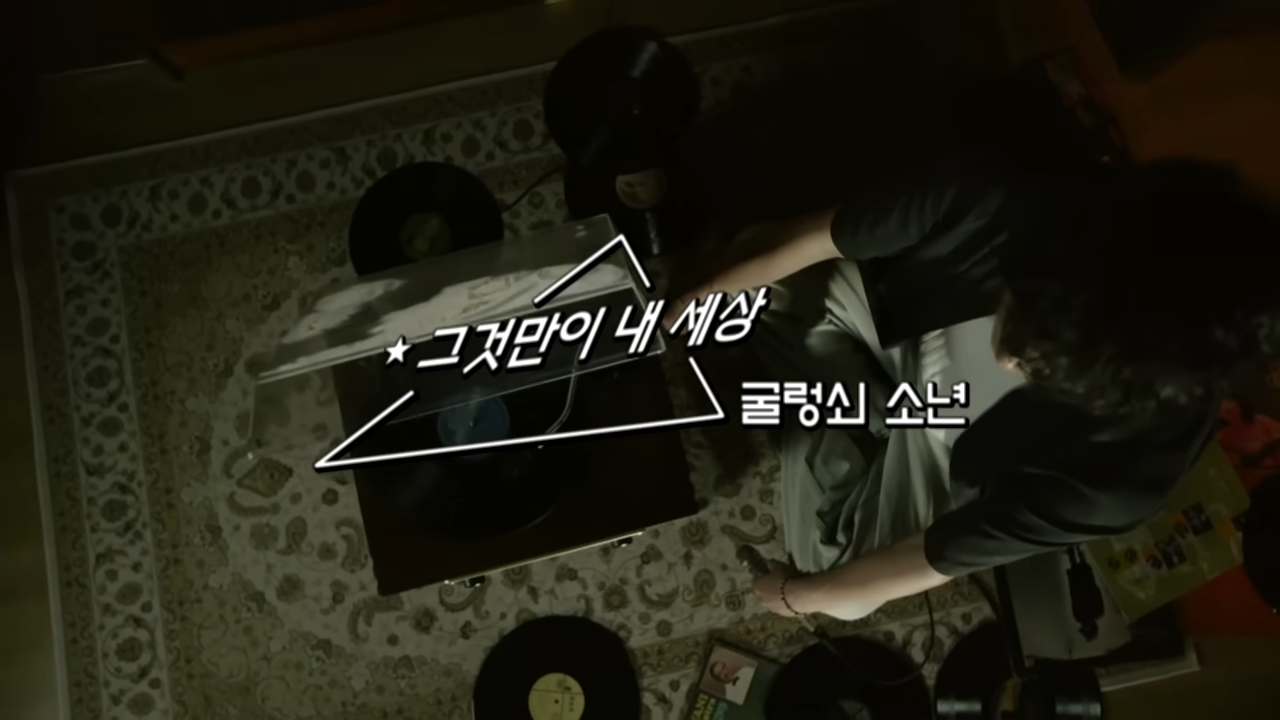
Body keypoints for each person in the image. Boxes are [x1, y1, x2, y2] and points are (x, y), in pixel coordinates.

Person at [665, 149, 1280, 621]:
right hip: (900, 317)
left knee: (829, 570)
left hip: (953, 439)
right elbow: (803, 238)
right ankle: (870, 411)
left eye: (1043, 367)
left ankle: (870, 414)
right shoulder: (1012, 193)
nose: (1006, 357)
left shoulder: (1124, 479)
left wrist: (800, 597)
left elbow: (938, 555)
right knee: (750, 284)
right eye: (1022, 314)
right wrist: (682, 303)